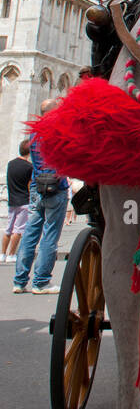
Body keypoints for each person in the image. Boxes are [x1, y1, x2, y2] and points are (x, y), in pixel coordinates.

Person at [13, 100, 69, 294]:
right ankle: (41, 282)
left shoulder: (34, 133)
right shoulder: (57, 131)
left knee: (30, 232)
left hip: (37, 187)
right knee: (50, 235)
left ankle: (19, 281)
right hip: (56, 187)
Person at [2, 139, 32, 263]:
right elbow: (30, 185)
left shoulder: (11, 164)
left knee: (8, 229)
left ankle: (2, 253)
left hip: (12, 199)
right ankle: (11, 254)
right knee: (18, 230)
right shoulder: (29, 167)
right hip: (24, 200)